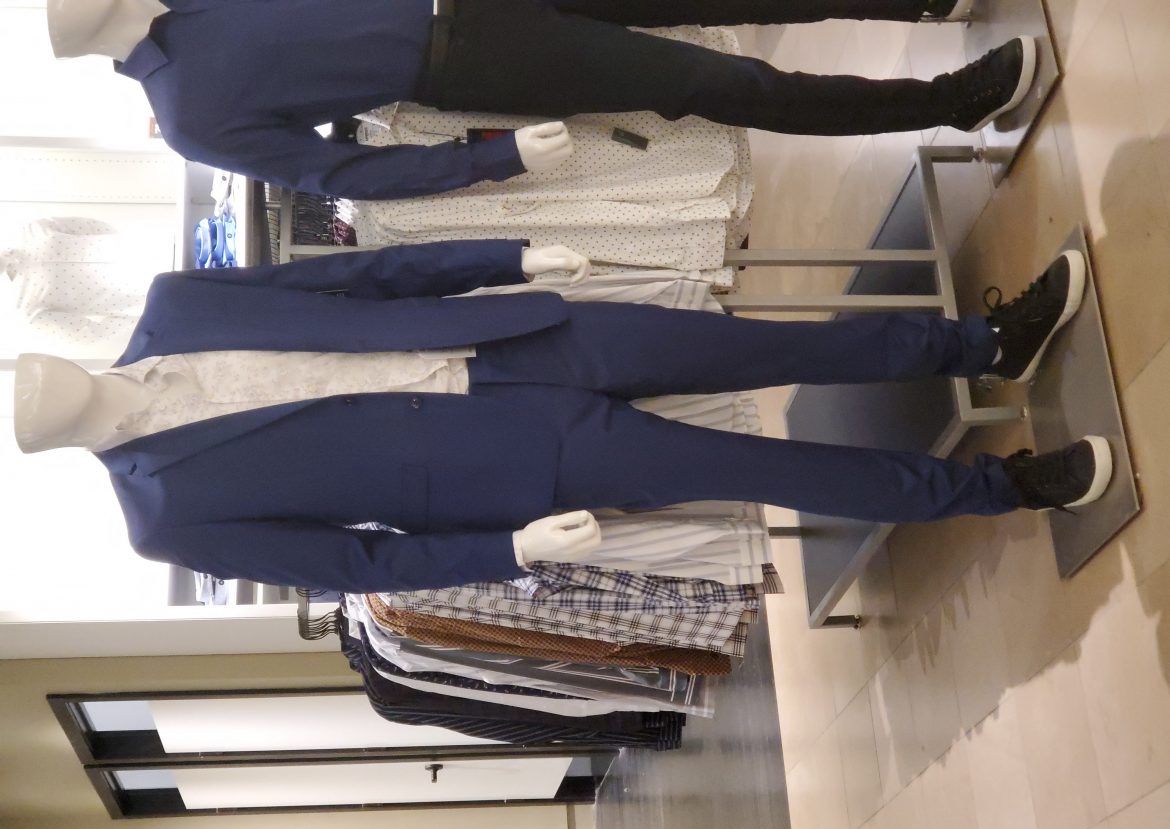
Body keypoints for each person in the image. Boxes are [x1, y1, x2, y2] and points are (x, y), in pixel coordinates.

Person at [13, 239, 1111, 593]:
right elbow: (356, 563)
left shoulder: (177, 300)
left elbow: (363, 277)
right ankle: (1006, 488)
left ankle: (983, 344)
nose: (28, 376)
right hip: (507, 463)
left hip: (521, 336)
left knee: (768, 343)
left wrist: (505, 257)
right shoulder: (164, 519)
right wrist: (509, 551)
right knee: (766, 470)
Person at [44, 0, 1033, 199]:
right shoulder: (191, 117)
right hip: (470, 59)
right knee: (706, 83)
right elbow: (340, 172)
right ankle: (948, 101)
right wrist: (490, 159)